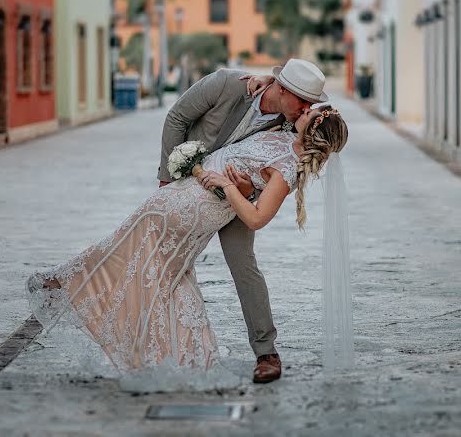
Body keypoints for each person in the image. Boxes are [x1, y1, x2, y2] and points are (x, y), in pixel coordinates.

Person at [25, 102, 348, 380]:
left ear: (314, 129)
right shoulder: (284, 131)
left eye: (310, 112)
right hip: (177, 198)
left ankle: (74, 285)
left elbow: (256, 218)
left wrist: (230, 186)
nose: (303, 109)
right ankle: (175, 351)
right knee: (149, 266)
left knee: (147, 264)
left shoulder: (288, 168)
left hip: (194, 208)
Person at [156, 58, 327, 383]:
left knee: (243, 264)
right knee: (161, 253)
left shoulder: (293, 122)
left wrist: (248, 189)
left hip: (237, 199)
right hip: (187, 187)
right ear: (282, 88)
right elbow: (177, 117)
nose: (306, 108)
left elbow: (287, 171)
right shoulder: (226, 84)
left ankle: (267, 354)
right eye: (303, 100)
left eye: (311, 103)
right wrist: (168, 180)